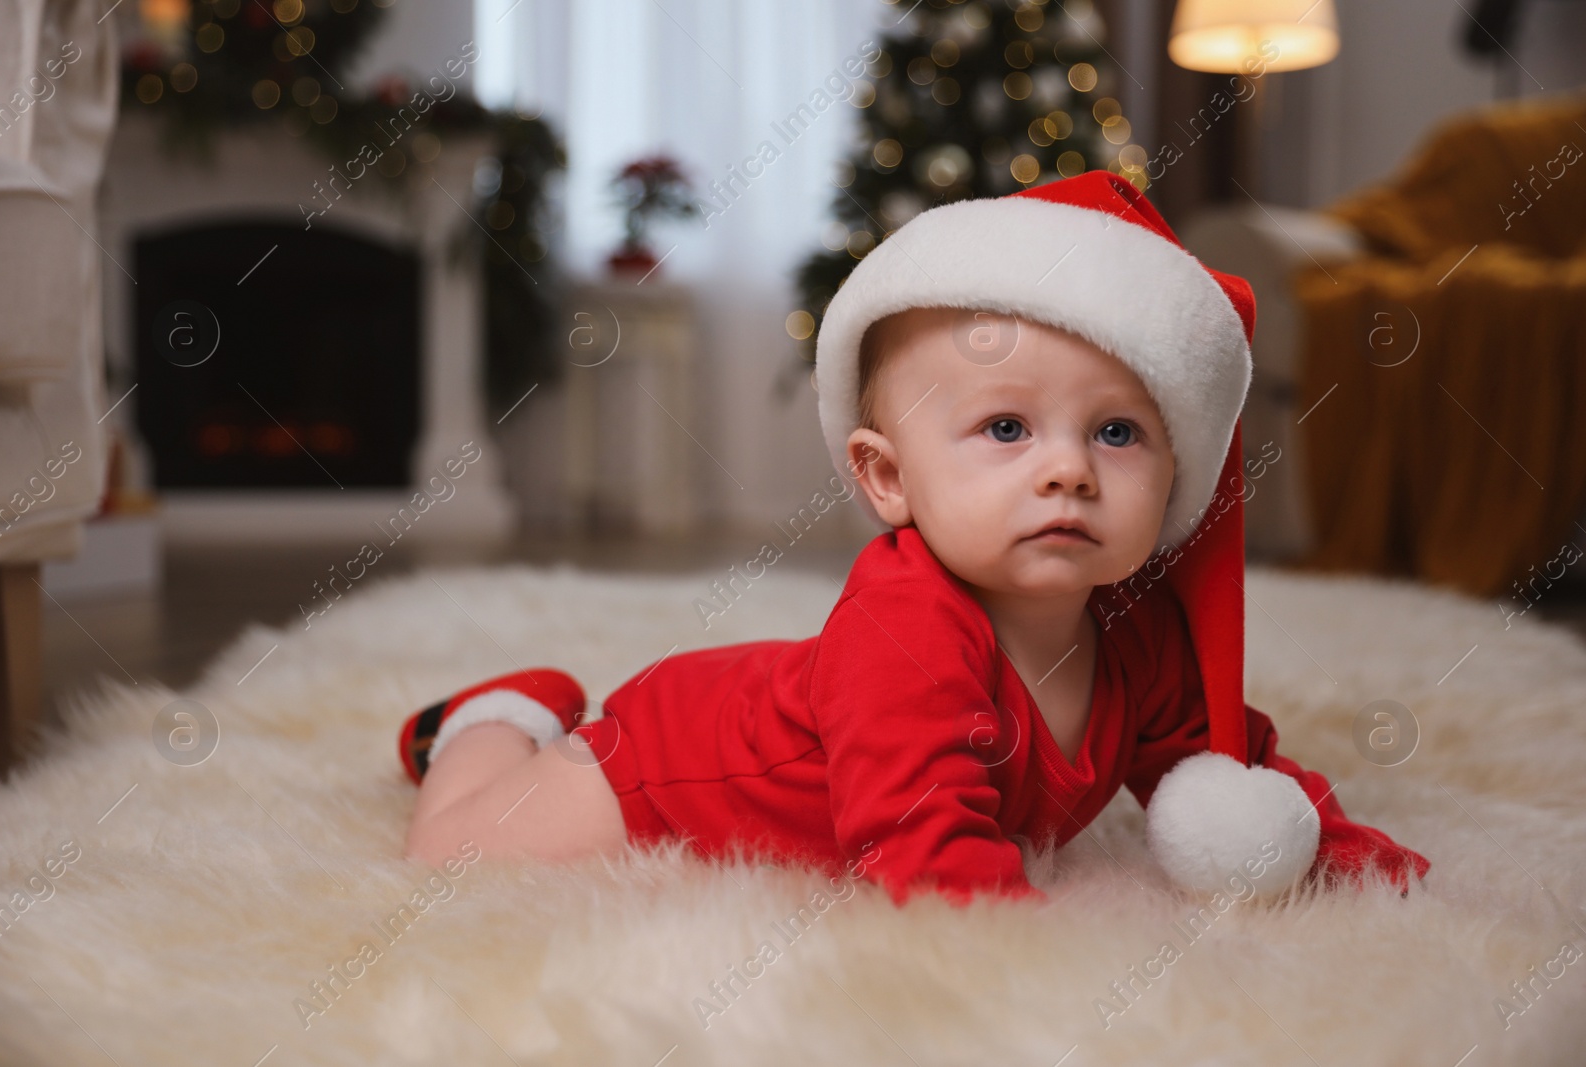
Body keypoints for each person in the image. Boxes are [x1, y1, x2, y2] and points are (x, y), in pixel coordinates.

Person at [396, 171, 1431, 906]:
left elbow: (1230, 768)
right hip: (671, 760)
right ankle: (499, 712)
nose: (1066, 468)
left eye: (1117, 431)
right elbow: (918, 849)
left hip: (764, 701)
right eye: (1005, 427)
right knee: (455, 852)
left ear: (1174, 482)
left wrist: (1346, 856)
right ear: (887, 477)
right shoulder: (908, 630)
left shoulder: (1140, 635)